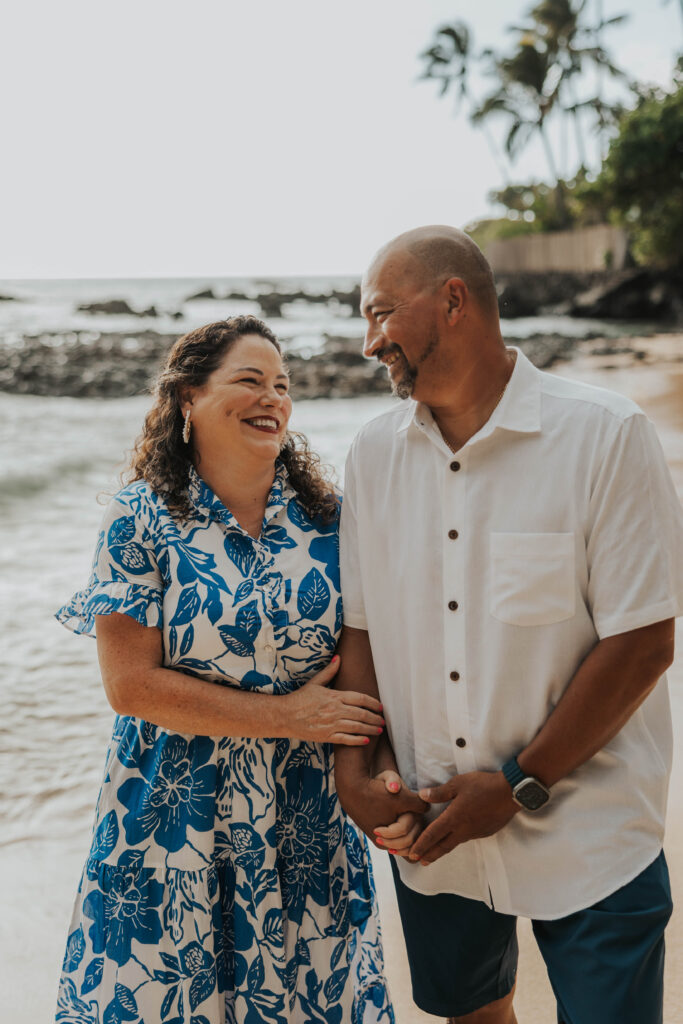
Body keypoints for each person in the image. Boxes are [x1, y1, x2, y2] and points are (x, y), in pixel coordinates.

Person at [333, 226, 683, 1024]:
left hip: (592, 832)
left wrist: (520, 783)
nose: (367, 342)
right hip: (434, 832)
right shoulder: (371, 455)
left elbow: (641, 642)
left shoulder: (605, 434)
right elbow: (359, 629)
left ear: (452, 300)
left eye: (381, 313)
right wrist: (356, 766)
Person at [54, 316, 395, 1024]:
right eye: (248, 381)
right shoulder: (139, 519)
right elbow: (130, 687)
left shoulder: (330, 520)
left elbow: (369, 658)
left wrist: (377, 771)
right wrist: (283, 717)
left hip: (304, 818)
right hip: (174, 817)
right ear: (187, 398)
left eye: (282, 385)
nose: (272, 397)